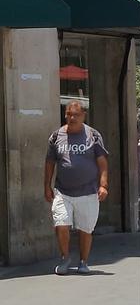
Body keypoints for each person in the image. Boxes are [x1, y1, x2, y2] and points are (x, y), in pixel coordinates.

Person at [44, 101, 109, 275]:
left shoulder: (93, 135)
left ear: (83, 116)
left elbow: (102, 163)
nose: (72, 118)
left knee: (86, 228)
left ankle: (83, 262)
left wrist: (103, 185)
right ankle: (65, 258)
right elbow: (50, 162)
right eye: (69, 114)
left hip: (88, 191)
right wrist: (47, 186)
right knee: (61, 223)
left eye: (76, 115)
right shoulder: (56, 136)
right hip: (62, 191)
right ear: (65, 115)